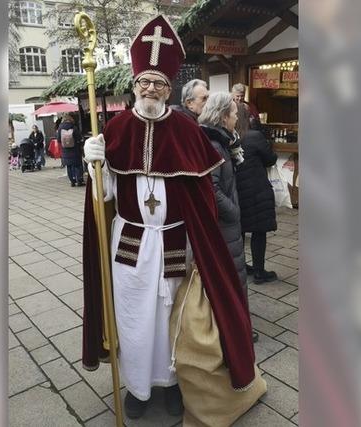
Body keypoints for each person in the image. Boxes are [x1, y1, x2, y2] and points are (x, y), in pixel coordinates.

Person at [81, 15, 260, 421]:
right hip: (129, 241)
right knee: (133, 316)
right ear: (134, 84)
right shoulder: (116, 128)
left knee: (171, 318)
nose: (151, 89)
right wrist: (99, 165)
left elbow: (202, 199)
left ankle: (173, 385)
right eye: (144, 82)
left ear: (170, 88)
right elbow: (105, 197)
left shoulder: (186, 128)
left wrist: (205, 246)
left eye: (159, 84)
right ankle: (139, 389)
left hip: (176, 240)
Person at [198, 93, 259, 343]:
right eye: (234, 114)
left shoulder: (222, 141)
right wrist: (234, 212)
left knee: (235, 278)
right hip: (224, 226)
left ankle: (236, 328)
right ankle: (233, 334)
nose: (236, 118)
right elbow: (211, 188)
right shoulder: (214, 145)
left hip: (228, 226)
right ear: (223, 117)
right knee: (231, 280)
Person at [234, 103, 279, 284]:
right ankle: (259, 271)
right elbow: (270, 159)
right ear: (248, 118)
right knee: (259, 231)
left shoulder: (229, 137)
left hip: (237, 191)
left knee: (241, 231)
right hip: (257, 190)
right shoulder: (255, 136)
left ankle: (243, 266)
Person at [57, 114, 84, 186]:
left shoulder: (60, 128)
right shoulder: (74, 127)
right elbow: (78, 138)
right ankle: (79, 180)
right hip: (75, 150)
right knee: (77, 165)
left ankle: (72, 181)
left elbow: (58, 139)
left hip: (65, 151)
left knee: (69, 166)